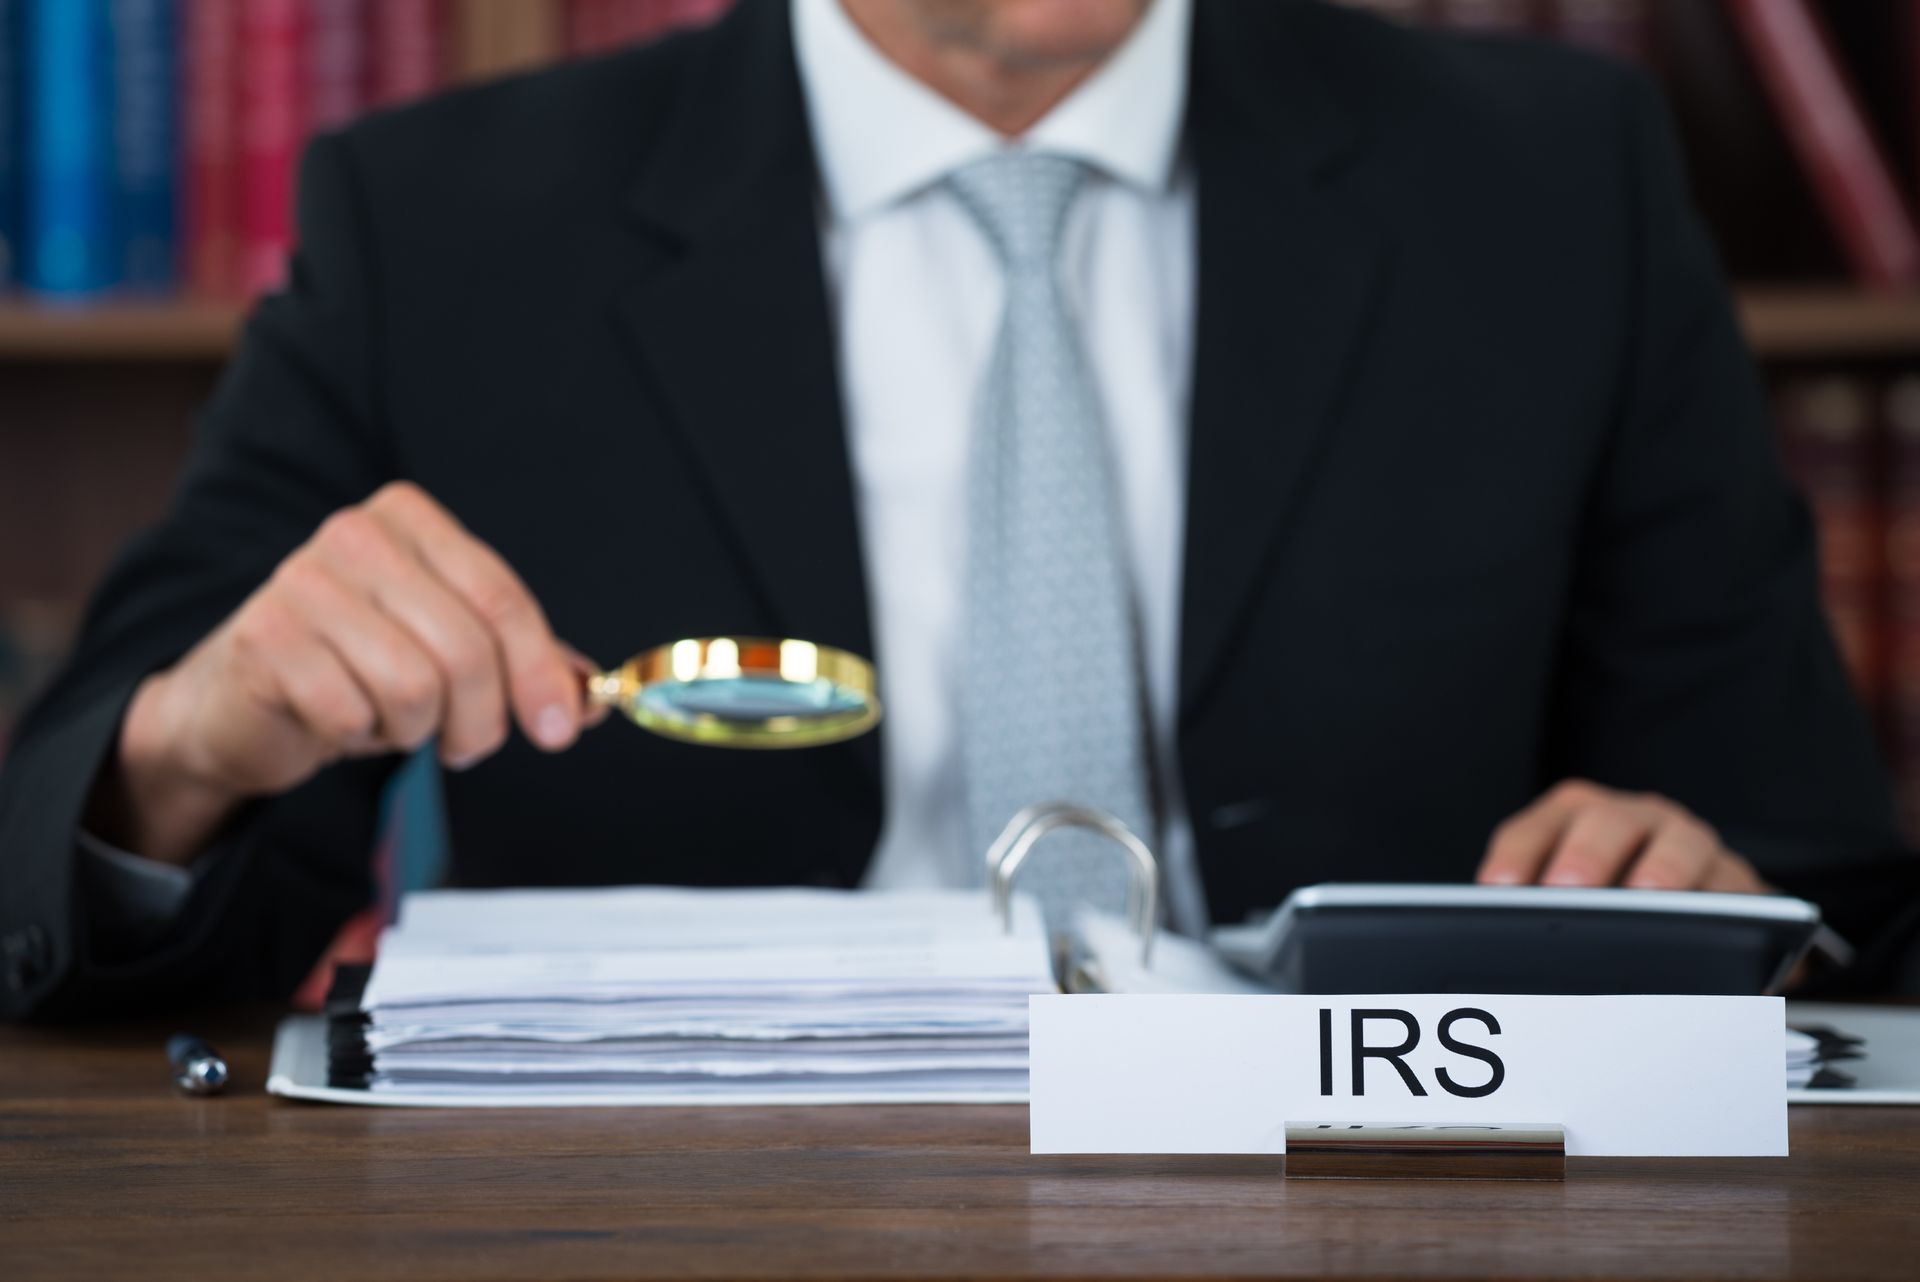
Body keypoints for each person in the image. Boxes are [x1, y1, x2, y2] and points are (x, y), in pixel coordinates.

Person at [1, 0, 1914, 1020]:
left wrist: (1693, 885)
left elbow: (1818, 871)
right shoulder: (435, 222)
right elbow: (72, 880)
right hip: (687, 1227)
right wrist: (191, 744)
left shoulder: (1547, 180)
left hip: (1384, 1192)